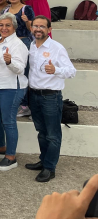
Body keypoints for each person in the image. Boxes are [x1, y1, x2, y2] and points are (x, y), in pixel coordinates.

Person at [25, 16, 76, 182]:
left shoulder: (57, 48)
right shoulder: (32, 45)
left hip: (50, 97)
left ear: (49, 29)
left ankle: (50, 167)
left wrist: (56, 70)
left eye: (42, 26)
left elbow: (71, 71)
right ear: (31, 28)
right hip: (34, 95)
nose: (38, 29)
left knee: (53, 135)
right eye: (35, 26)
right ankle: (44, 160)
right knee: (41, 132)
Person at [0, 13, 28, 171]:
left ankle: (11, 157)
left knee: (8, 121)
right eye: (1, 25)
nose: (4, 28)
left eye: (7, 25)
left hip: (11, 87)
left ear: (14, 27)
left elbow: (20, 68)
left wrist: (9, 61)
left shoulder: (18, 44)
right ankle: (1, 148)